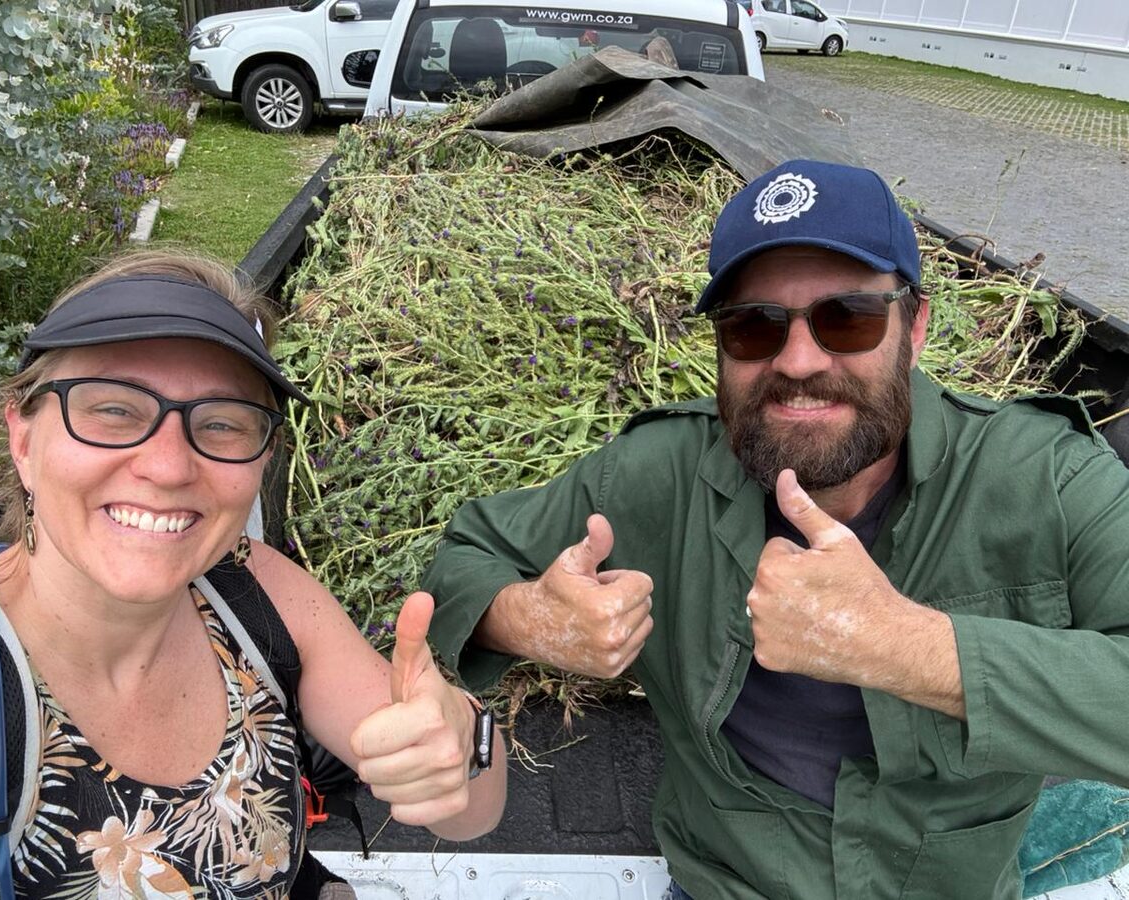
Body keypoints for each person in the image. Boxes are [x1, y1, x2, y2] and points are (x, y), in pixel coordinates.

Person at [422, 159, 1129, 898]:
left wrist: (906, 647)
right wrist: (526, 619)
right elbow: (466, 557)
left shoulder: (1048, 479)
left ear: (914, 328)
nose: (797, 361)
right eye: (755, 326)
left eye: (846, 317)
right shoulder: (656, 475)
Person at [0, 251, 506, 899]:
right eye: (115, 410)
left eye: (223, 422)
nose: (170, 467)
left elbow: (471, 813)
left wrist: (458, 739)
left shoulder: (255, 590)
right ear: (24, 440)